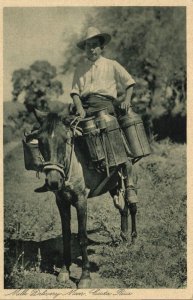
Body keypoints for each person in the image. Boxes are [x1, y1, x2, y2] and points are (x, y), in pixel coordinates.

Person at [70, 27, 138, 205]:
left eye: (94, 45)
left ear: (101, 47)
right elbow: (75, 92)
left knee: (115, 138)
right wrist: (79, 109)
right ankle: (67, 177)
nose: (91, 49)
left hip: (105, 106)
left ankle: (128, 185)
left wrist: (127, 100)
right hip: (84, 107)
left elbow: (129, 82)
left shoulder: (112, 64)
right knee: (65, 133)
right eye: (87, 46)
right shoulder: (80, 68)